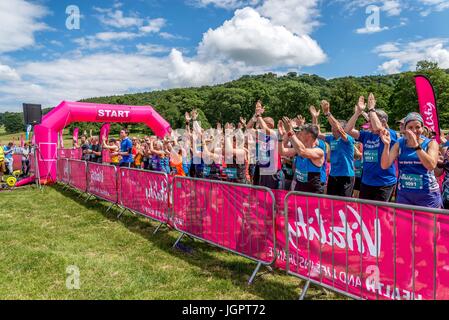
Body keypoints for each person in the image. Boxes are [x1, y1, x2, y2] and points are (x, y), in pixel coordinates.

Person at [380, 112, 442, 208]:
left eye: (417, 127)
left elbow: (431, 166)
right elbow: (384, 165)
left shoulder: (431, 143)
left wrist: (416, 146)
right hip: (405, 195)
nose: (414, 130)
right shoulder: (399, 143)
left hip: (427, 195)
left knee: (427, 223)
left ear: (422, 128)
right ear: (405, 129)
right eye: (410, 127)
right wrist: (386, 145)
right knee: (403, 223)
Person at [345, 94, 398, 202]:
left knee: (380, 217)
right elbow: (348, 130)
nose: (369, 123)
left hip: (384, 183)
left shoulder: (390, 134)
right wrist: (357, 112)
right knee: (366, 215)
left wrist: (371, 109)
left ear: (383, 122)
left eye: (371, 120)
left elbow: (379, 128)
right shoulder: (366, 135)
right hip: (367, 182)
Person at [315, 101, 356, 198]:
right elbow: (317, 133)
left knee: (344, 204)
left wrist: (328, 113)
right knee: (332, 203)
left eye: (334, 129)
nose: (332, 131)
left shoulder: (348, 139)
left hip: (346, 176)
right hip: (333, 175)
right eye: (332, 129)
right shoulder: (331, 138)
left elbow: (338, 127)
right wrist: (315, 117)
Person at [279, 119, 326, 194]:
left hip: (313, 191)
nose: (298, 135)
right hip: (299, 189)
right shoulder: (298, 149)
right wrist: (280, 137)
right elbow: (282, 151)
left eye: (301, 133)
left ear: (309, 136)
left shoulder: (319, 151)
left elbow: (302, 152)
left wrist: (291, 131)